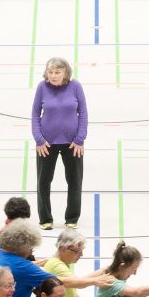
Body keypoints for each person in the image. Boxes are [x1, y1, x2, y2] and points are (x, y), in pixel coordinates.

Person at [32, 57, 89, 229]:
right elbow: (35, 115)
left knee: (74, 181)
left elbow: (84, 114)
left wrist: (80, 139)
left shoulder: (76, 86)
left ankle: (72, 218)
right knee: (43, 181)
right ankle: (45, 219)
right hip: (46, 144)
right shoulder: (42, 87)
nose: (54, 75)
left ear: (65, 72)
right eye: (50, 72)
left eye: (57, 72)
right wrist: (39, 139)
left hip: (73, 144)